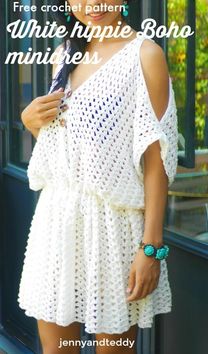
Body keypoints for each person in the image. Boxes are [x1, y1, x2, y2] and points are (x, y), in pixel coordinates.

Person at [18, 1, 179, 353]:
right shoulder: (63, 55)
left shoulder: (145, 55)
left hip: (113, 232)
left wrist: (151, 249)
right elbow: (70, 151)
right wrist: (32, 125)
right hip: (57, 226)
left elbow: (156, 162)